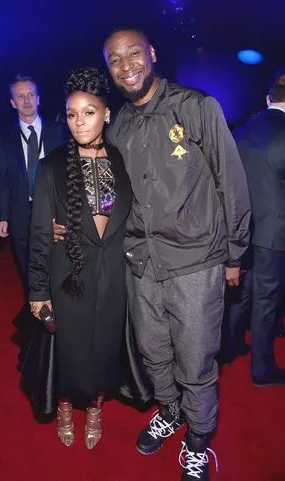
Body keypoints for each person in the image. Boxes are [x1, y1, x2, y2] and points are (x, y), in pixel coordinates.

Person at [101, 27, 251, 480]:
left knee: (196, 360)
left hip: (195, 264)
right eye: (115, 60)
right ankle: (170, 411)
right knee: (153, 353)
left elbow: (232, 184)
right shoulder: (118, 126)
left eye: (133, 53)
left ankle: (199, 439)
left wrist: (234, 254)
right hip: (140, 264)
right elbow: (112, 199)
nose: (127, 66)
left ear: (151, 53)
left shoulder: (197, 107)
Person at [29, 68, 132, 449]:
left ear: (107, 114)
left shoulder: (124, 161)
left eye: (89, 112)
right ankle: (66, 404)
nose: (79, 121)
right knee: (69, 349)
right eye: (72, 114)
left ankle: (96, 407)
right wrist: (38, 291)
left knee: (105, 349)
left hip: (115, 276)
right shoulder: (52, 166)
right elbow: (40, 233)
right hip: (68, 273)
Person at [233, 69, 285, 387]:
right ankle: (262, 368)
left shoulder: (241, 130)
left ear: (268, 99)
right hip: (274, 227)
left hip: (241, 225)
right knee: (267, 297)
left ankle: (233, 344)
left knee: (241, 291)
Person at [0, 75, 65, 295]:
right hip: (21, 214)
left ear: (39, 98)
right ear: (13, 102)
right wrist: (2, 216)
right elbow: (2, 180)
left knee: (59, 267)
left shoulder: (60, 131)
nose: (27, 100)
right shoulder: (5, 141)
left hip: (54, 211)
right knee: (27, 271)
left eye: (31, 94)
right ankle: (36, 315)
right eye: (20, 96)